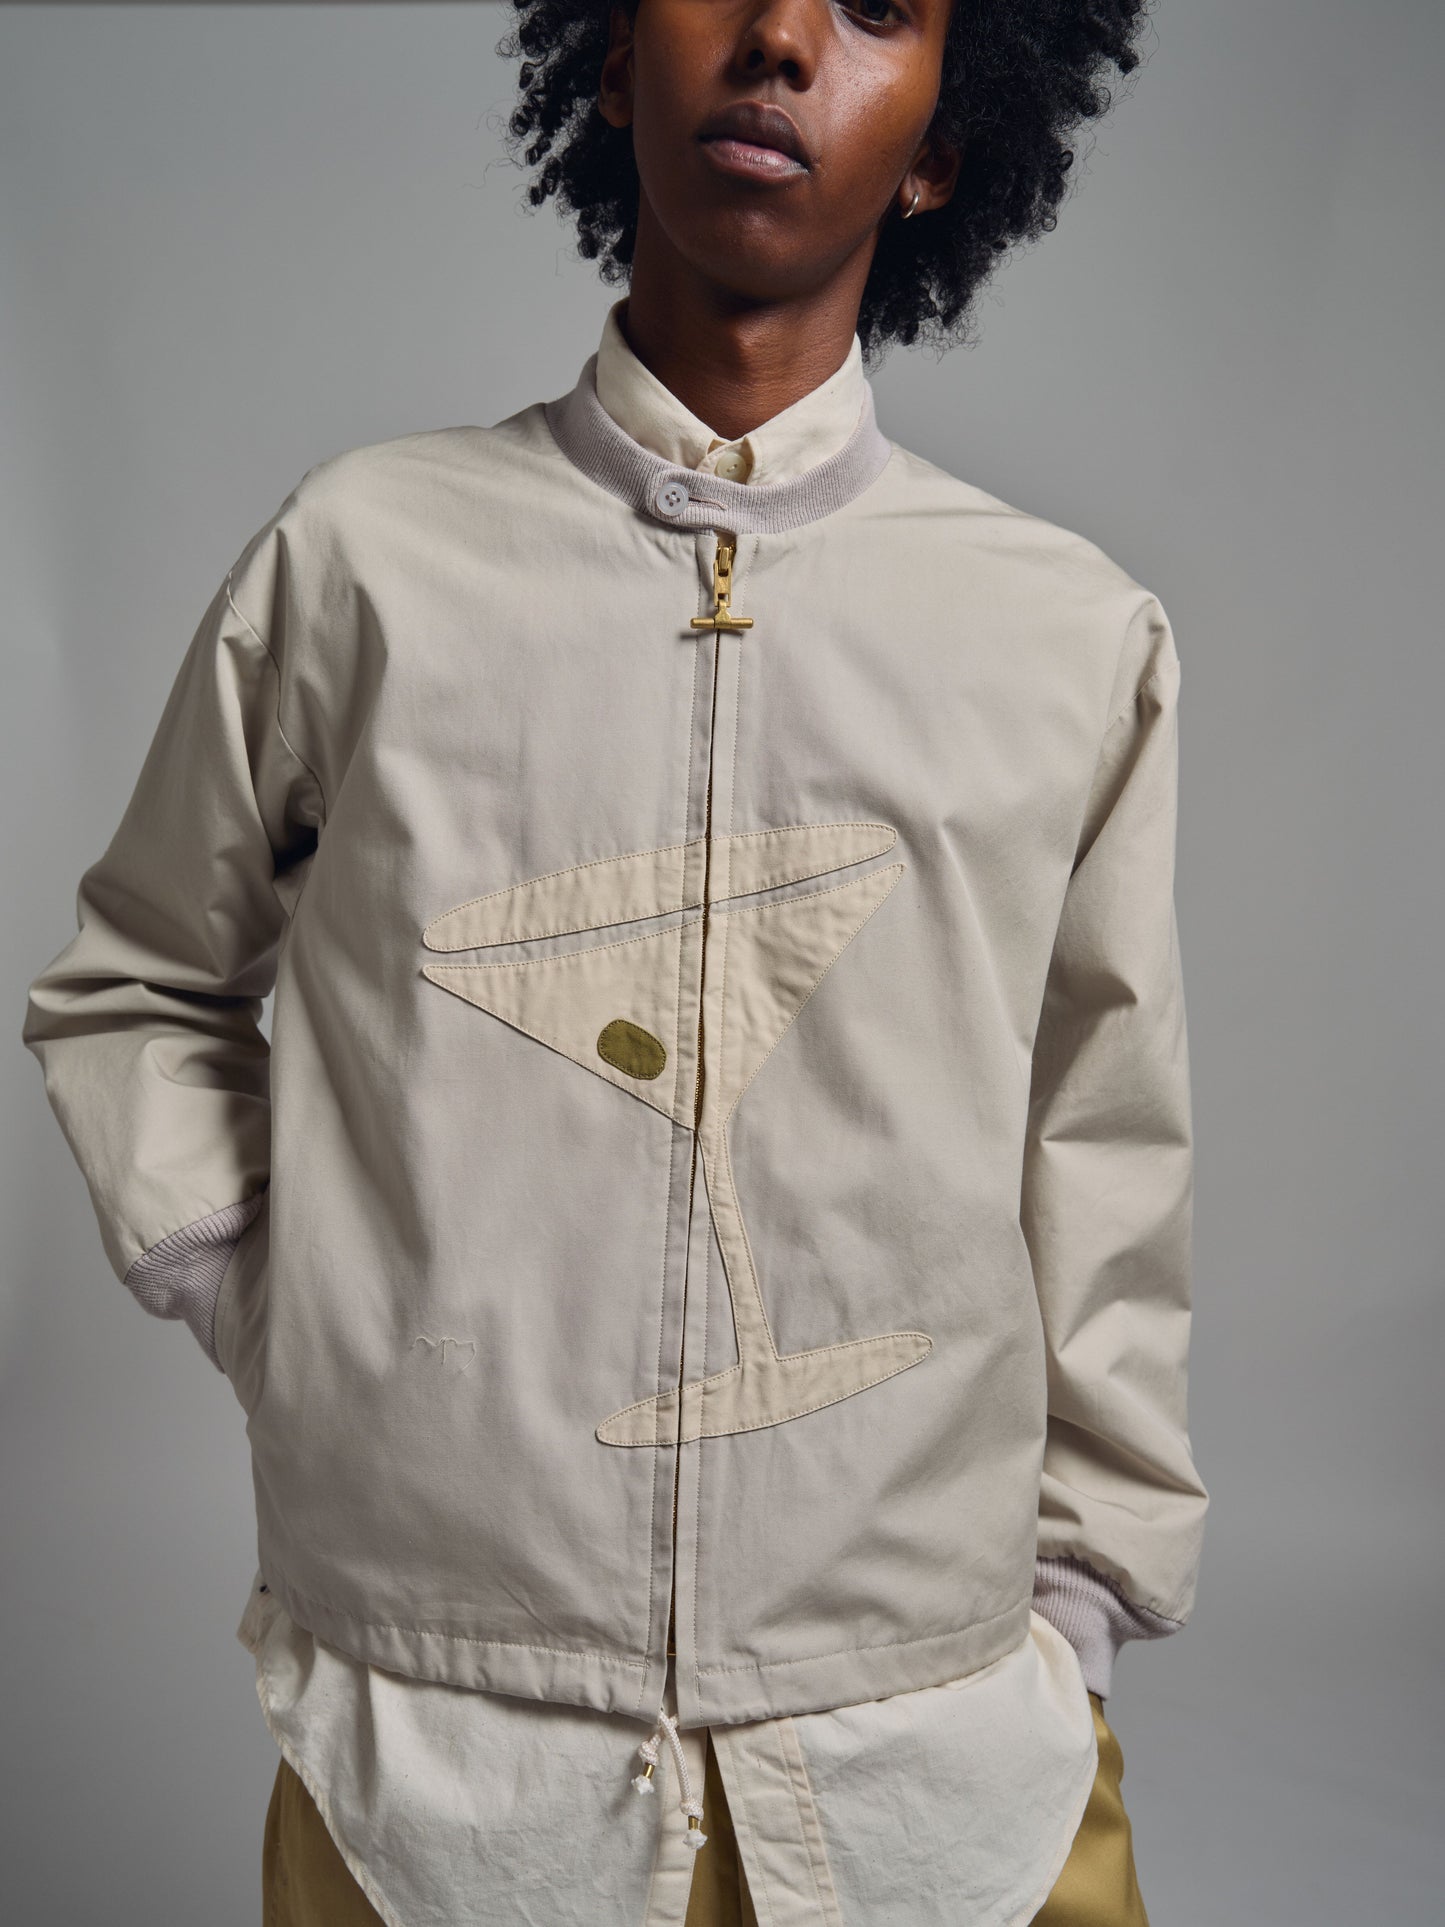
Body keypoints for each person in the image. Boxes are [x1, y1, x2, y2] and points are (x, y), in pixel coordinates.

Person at [20, 0, 1209, 1919]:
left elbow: (1107, 1141)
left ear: (942, 148)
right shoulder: (365, 559)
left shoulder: (1068, 633)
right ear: (607, 60)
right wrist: (279, 1303)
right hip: (437, 1752)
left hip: (937, 1750)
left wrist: (1080, 1597)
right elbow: (138, 979)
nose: (779, 36)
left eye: (876, 7)